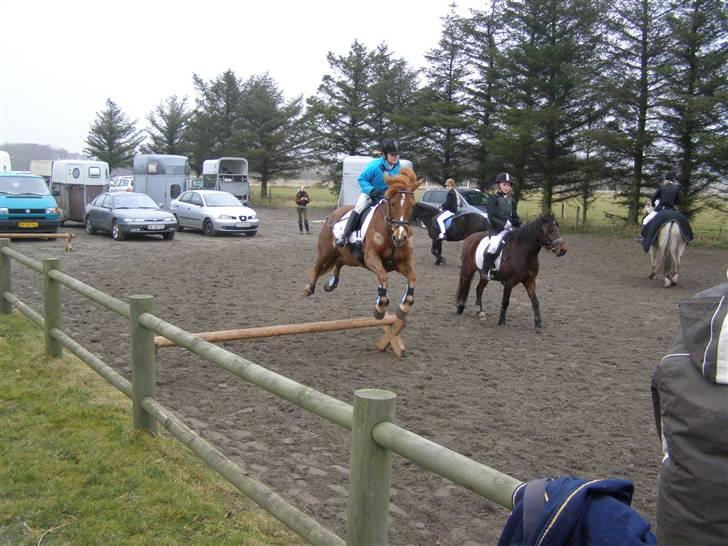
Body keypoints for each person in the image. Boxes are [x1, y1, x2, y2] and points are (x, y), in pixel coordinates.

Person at [651, 283, 728, 546]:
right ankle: (646, 241)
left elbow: (665, 438)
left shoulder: (677, 353)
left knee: (684, 237)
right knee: (652, 238)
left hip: (679, 528)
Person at [335, 138, 402, 247]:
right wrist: (371, 190)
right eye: (392, 155)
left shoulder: (399, 168)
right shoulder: (374, 165)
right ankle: (345, 236)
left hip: (386, 196)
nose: (395, 157)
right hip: (370, 194)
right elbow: (361, 179)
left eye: (397, 155)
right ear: (385, 155)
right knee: (359, 208)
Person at [481, 172, 522, 280]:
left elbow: (514, 216)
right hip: (496, 229)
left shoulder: (511, 199)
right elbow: (492, 217)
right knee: (494, 245)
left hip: (509, 229)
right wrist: (504, 224)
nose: (507, 187)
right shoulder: (492, 199)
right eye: (504, 184)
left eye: (509, 185)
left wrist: (521, 224)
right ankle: (486, 269)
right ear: (499, 185)